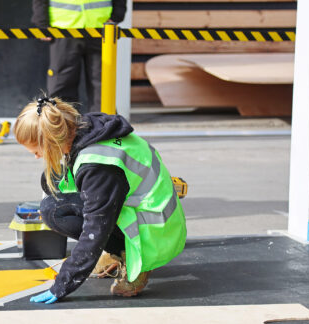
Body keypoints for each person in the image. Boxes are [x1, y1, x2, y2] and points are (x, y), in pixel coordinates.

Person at [14, 97, 187, 303]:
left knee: (57, 212)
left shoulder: (99, 168)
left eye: (37, 151)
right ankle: (116, 249)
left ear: (52, 142)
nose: (36, 157)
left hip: (153, 234)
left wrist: (63, 284)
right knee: (53, 206)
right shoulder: (85, 126)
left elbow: (95, 229)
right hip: (146, 213)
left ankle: (134, 260)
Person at [31, 0, 127, 112]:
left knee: (103, 87)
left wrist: (116, 16)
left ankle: (104, 132)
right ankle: (64, 131)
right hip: (64, 30)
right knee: (62, 85)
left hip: (100, 31)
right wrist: (42, 23)